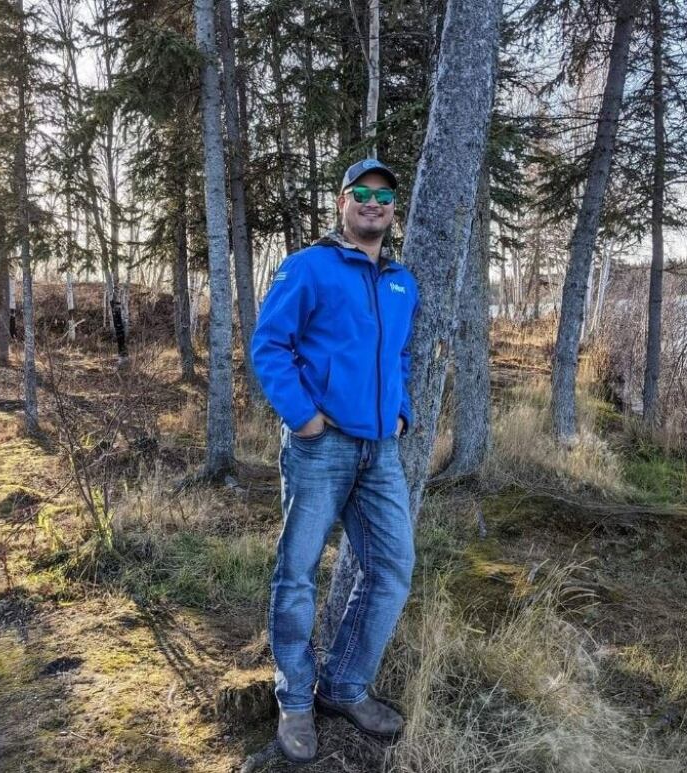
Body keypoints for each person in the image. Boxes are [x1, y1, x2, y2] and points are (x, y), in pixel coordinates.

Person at [250, 158, 419, 763]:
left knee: (393, 568)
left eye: (384, 195)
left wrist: (401, 412)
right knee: (297, 575)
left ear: (393, 208)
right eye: (362, 193)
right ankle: (295, 699)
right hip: (321, 448)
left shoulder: (402, 281)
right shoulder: (309, 266)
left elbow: (397, 356)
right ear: (343, 202)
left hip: (381, 452)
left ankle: (343, 687)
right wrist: (303, 417)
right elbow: (269, 345)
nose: (373, 203)